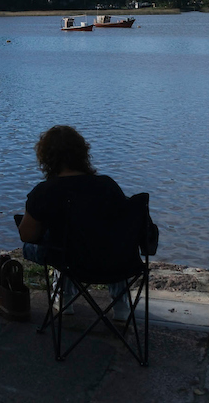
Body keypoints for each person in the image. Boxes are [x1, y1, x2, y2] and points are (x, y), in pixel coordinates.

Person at [16, 124, 129, 318]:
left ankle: (64, 296)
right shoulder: (107, 186)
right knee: (113, 239)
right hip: (112, 263)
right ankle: (121, 307)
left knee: (47, 244)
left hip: (70, 261)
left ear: (46, 159)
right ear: (82, 154)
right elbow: (128, 229)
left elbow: (26, 235)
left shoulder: (44, 192)